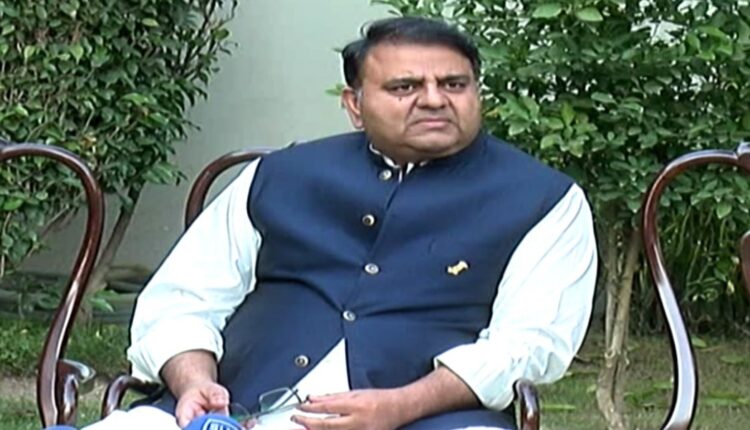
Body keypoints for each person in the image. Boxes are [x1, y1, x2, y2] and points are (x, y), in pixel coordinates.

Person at [84, 16, 597, 430]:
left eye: (453, 84)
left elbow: (529, 344)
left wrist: (401, 405)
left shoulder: (543, 199)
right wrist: (194, 380)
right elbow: (184, 298)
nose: (434, 99)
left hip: (428, 419)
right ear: (355, 105)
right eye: (404, 86)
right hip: (229, 410)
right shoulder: (281, 175)